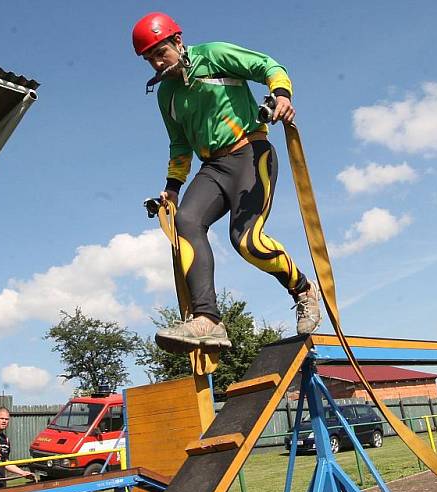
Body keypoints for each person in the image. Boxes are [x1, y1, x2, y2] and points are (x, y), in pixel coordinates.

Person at [132, 12, 321, 354]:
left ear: (177, 41)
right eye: (150, 59)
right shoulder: (166, 95)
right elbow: (179, 144)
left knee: (246, 241)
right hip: (213, 168)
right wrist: (171, 188)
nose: (158, 63)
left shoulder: (215, 55)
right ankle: (208, 321)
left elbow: (268, 66)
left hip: (251, 153)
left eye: (161, 53)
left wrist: (281, 95)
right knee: (185, 222)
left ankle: (303, 290)